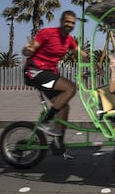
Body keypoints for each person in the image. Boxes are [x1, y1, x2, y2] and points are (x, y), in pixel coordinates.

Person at [23, 10, 88, 160]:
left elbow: (81, 53)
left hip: (49, 73)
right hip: (35, 71)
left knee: (64, 107)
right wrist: (28, 49)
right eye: (67, 22)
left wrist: (95, 64)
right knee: (70, 88)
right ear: (61, 21)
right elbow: (31, 48)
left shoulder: (69, 40)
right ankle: (47, 120)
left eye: (72, 23)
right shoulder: (47, 33)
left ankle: (58, 144)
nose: (69, 25)